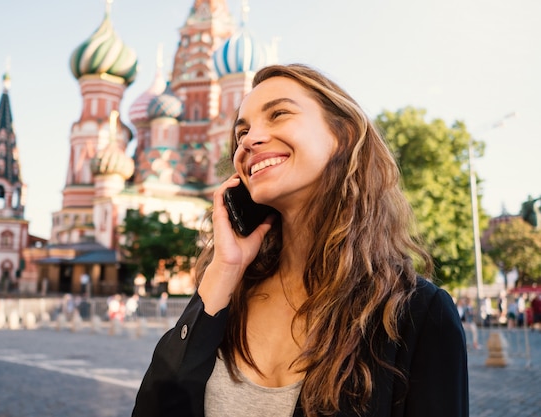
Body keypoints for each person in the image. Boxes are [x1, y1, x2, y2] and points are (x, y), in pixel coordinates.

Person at [132, 64, 468, 417]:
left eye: (278, 114)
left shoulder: (417, 314)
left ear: (343, 135)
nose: (249, 140)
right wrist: (223, 271)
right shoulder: (228, 295)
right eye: (241, 131)